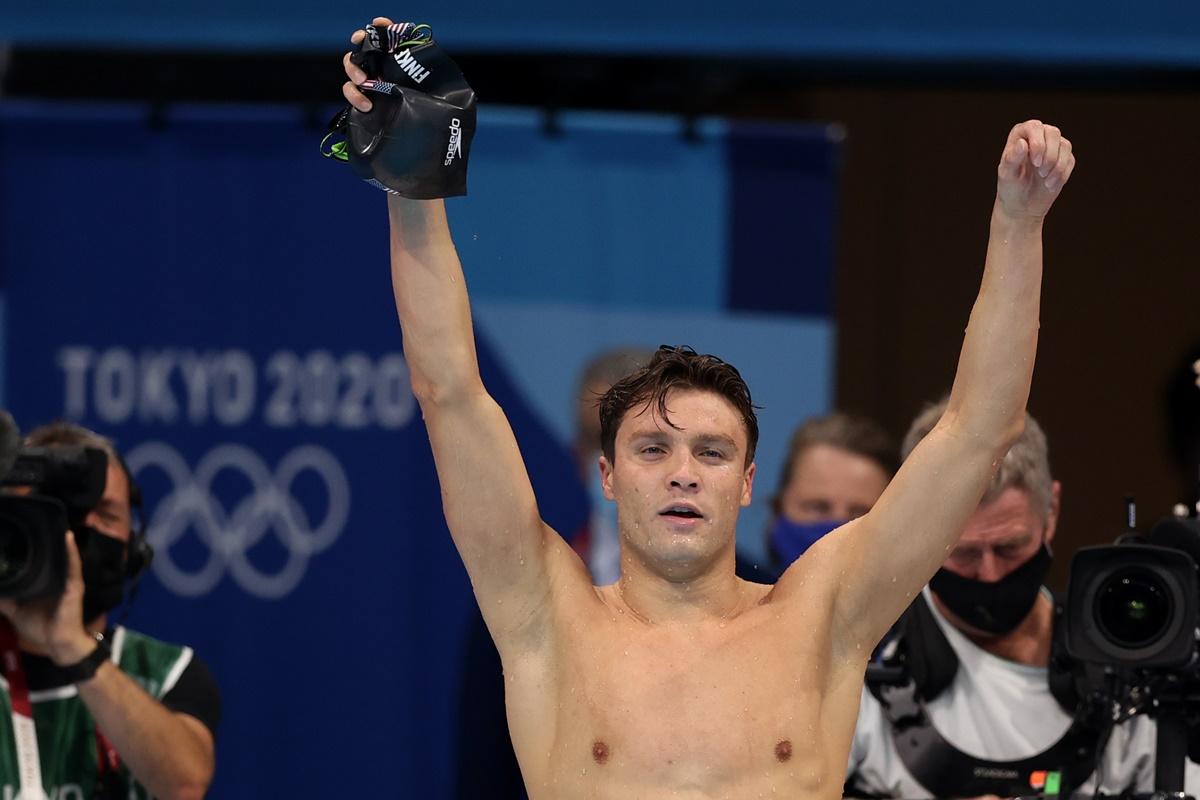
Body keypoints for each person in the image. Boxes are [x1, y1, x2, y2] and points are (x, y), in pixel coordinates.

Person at [344, 19, 1076, 795]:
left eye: (712, 452)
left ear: (749, 481)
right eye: (653, 450)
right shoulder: (543, 615)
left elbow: (974, 434)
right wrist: (412, 190)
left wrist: (1018, 223)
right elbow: (449, 392)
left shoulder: (825, 614)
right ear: (608, 474)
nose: (683, 473)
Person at [844, 402, 1194, 798]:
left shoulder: (1131, 666)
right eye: (962, 553)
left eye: (1010, 547)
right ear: (912, 527)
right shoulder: (856, 662)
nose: (990, 573)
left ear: (1052, 510)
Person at [0, 421, 219, 800]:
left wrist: (73, 647)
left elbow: (183, 785)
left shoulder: (164, 673)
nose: (76, 536)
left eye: (105, 514)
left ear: (133, 546)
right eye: (59, 514)